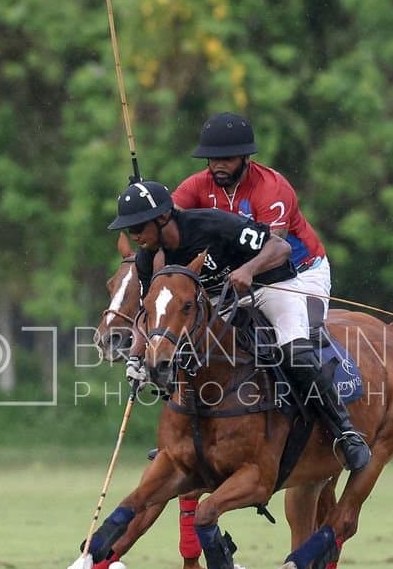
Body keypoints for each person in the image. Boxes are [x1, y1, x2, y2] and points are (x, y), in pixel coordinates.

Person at [107, 178, 370, 472]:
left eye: (139, 227)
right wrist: (137, 357)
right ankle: (185, 438)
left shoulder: (212, 224)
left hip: (271, 287)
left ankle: (345, 432)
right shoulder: (147, 258)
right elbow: (150, 311)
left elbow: (280, 247)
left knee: (293, 350)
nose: (134, 235)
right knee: (187, 352)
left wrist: (249, 269)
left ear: (163, 217)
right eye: (130, 229)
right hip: (225, 299)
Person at [172, 112, 332, 335]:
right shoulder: (196, 185)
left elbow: (275, 247)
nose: (219, 165)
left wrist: (247, 269)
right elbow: (169, 222)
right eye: (213, 159)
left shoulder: (271, 187)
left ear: (246, 158)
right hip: (236, 280)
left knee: (309, 334)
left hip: (299, 272)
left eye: (227, 159)